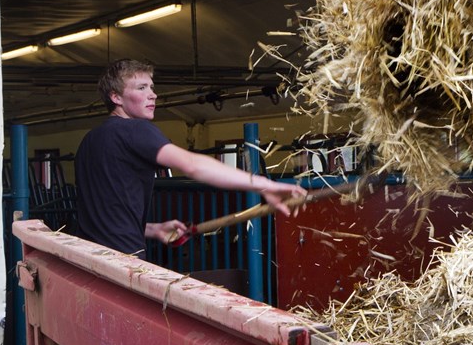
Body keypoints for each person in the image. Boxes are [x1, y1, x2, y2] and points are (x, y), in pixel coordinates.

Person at [75, 58, 306, 258]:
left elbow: (108, 215)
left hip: (86, 257)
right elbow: (192, 165)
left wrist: (153, 229)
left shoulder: (89, 141)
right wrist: (265, 185)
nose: (152, 94)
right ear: (116, 97)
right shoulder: (136, 130)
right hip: (123, 260)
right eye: (141, 88)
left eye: (152, 87)